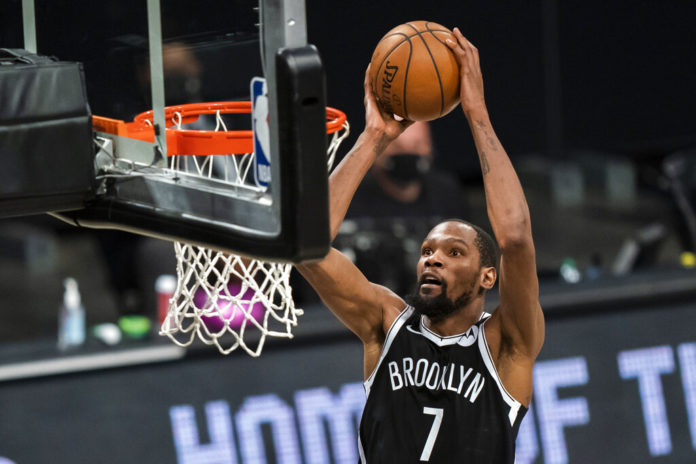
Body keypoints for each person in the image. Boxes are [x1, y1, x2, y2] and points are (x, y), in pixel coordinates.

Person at [296, 28, 544, 462]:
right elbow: (306, 242)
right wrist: (374, 138)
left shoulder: (505, 345)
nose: (433, 259)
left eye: (454, 252)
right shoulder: (387, 324)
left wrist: (477, 114)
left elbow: (516, 238)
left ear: (488, 276)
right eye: (428, 251)